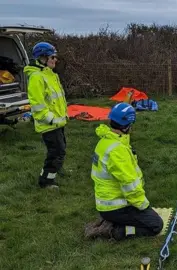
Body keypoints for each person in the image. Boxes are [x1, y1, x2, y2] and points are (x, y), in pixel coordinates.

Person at [84, 103, 163, 240]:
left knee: (148, 217)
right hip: (117, 205)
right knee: (155, 225)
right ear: (128, 125)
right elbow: (129, 184)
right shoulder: (118, 151)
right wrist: (143, 206)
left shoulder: (106, 141)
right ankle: (114, 231)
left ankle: (108, 221)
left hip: (106, 202)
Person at [24, 42, 68, 189]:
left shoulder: (50, 74)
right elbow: (37, 104)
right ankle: (46, 181)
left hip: (58, 123)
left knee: (61, 150)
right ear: (42, 58)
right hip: (49, 124)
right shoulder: (37, 77)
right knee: (56, 152)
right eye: (52, 57)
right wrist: (50, 119)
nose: (55, 60)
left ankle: (55, 171)